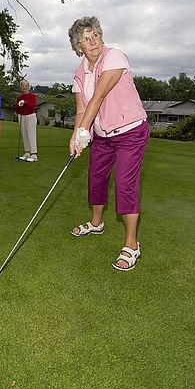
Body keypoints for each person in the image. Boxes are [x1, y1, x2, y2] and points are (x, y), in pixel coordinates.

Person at [68, 16, 150, 271]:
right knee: (96, 179)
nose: (92, 42)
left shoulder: (115, 57)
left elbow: (100, 95)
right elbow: (82, 109)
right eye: (85, 39)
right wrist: (76, 136)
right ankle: (96, 223)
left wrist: (84, 131)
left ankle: (131, 245)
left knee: (125, 186)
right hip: (103, 136)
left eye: (95, 36)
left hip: (130, 131)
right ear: (78, 46)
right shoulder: (80, 72)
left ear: (101, 37)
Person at [14, 79, 38, 162]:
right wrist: (19, 105)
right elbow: (16, 110)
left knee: (31, 134)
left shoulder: (32, 96)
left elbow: (32, 108)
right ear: (20, 87)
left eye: (25, 85)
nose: (24, 87)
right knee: (24, 134)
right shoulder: (19, 98)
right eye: (22, 85)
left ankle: (33, 154)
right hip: (21, 116)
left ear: (28, 87)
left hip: (30, 116)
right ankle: (27, 152)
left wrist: (25, 103)